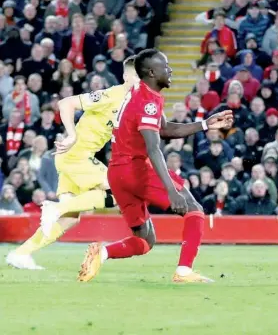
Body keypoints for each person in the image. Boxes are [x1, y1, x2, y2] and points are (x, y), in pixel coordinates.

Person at [77, 49, 234, 283]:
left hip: (117, 173)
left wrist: (204, 125)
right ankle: (184, 271)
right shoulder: (147, 102)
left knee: (144, 241)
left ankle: (103, 253)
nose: (170, 70)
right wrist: (171, 190)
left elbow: (165, 129)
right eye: (165, 66)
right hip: (134, 169)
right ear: (151, 72)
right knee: (194, 209)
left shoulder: (140, 93)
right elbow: (153, 147)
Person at [5, 57, 139, 270]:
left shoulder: (131, 103)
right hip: (76, 154)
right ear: (126, 76)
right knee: (117, 193)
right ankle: (56, 208)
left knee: (70, 219)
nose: (142, 81)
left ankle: (21, 254)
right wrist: (71, 134)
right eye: (138, 76)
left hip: (75, 158)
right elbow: (65, 103)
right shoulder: (112, 94)